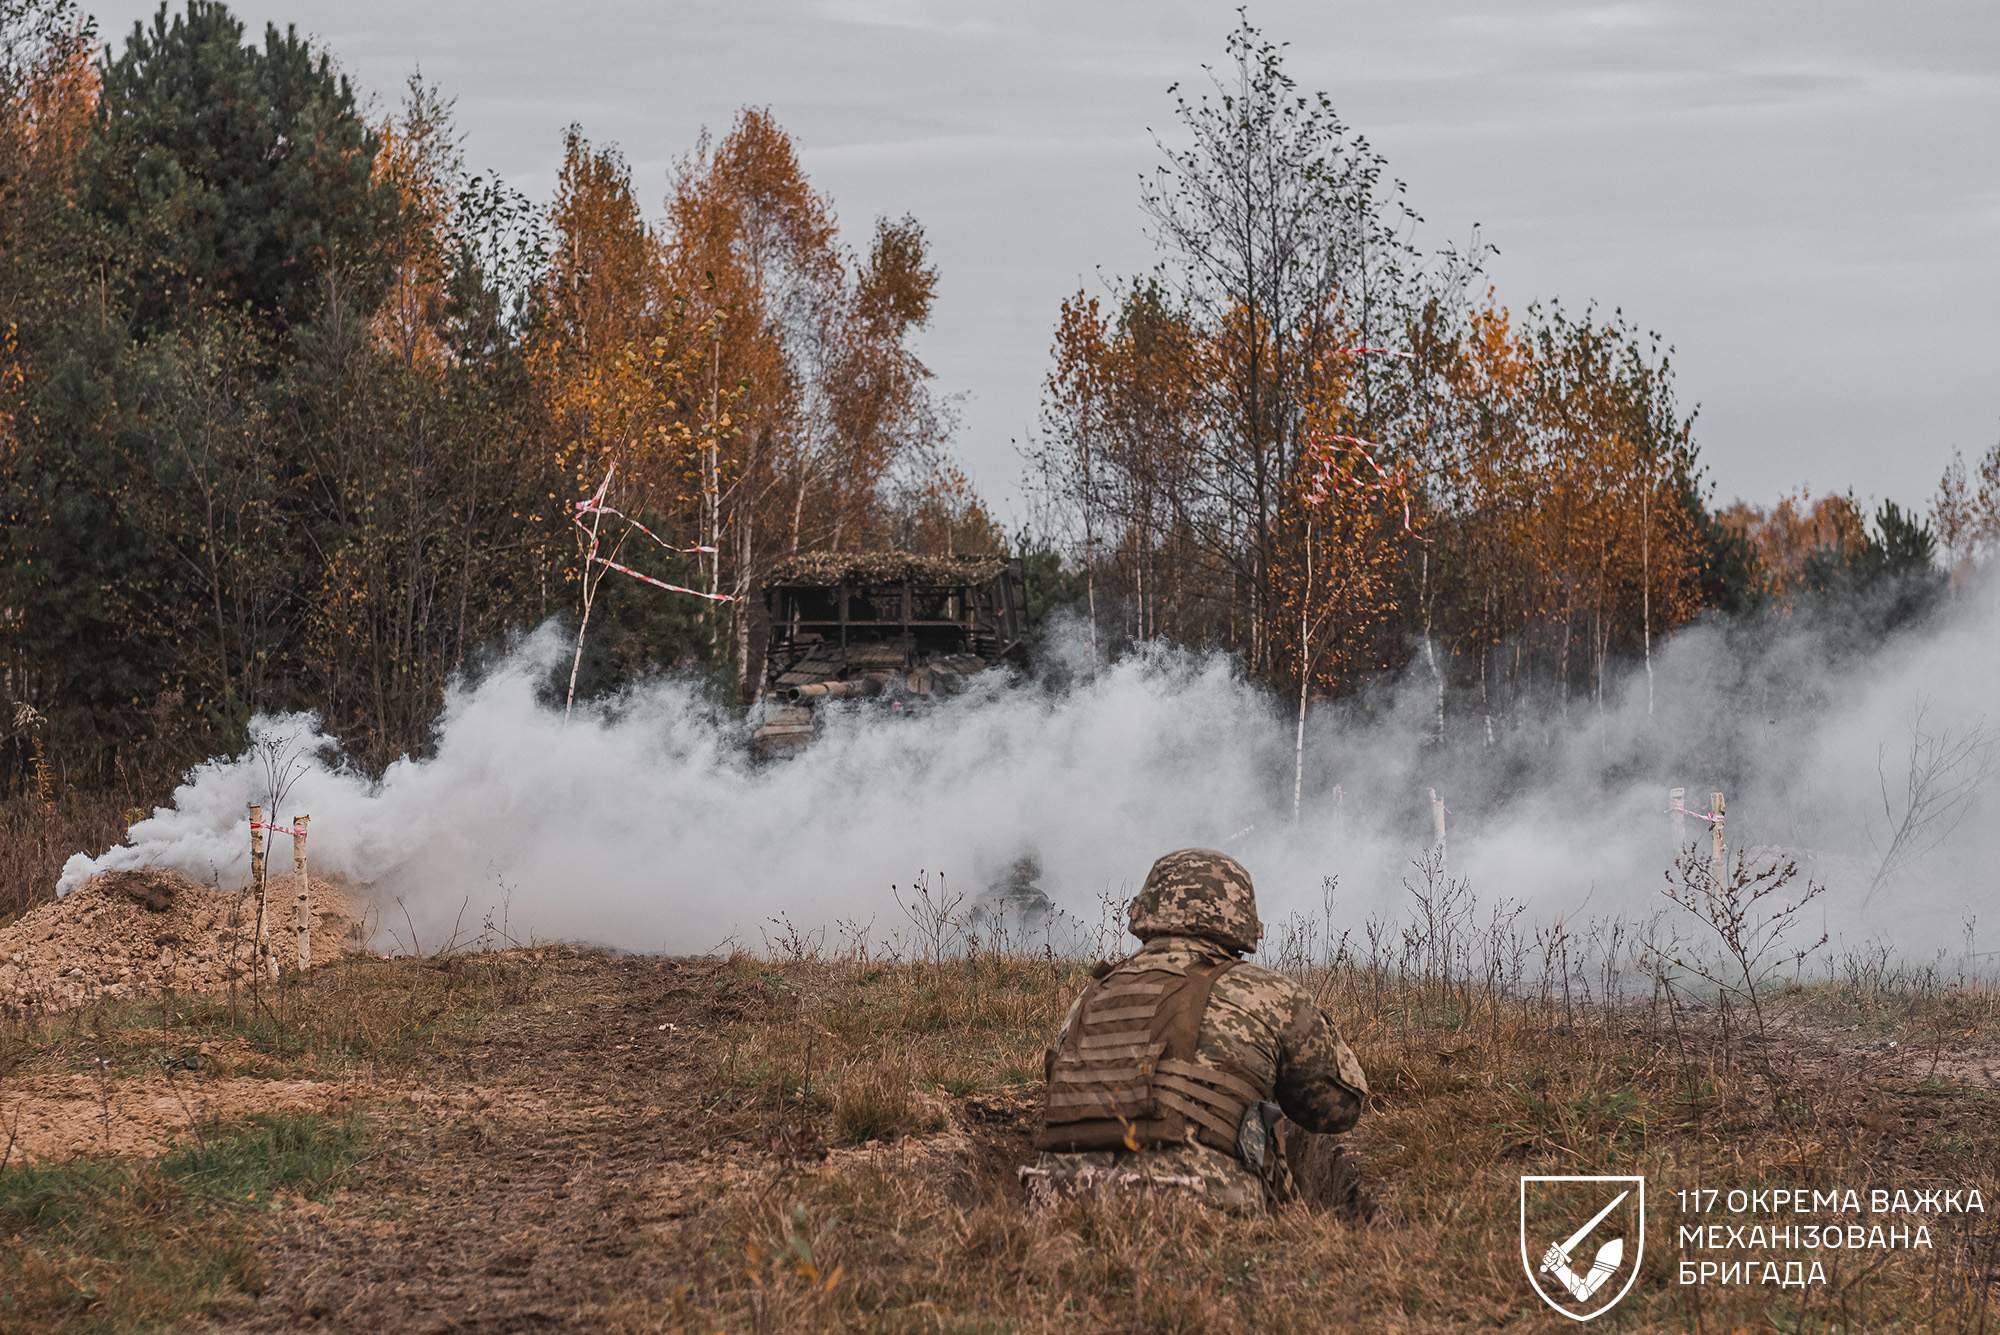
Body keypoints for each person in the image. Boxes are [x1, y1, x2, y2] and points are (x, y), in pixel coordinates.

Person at [1024, 848, 1369, 1213]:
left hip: (1062, 1210)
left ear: (1146, 912)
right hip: (1203, 1215)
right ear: (1240, 919)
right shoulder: (1270, 993)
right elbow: (1338, 1108)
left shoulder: (1090, 996)